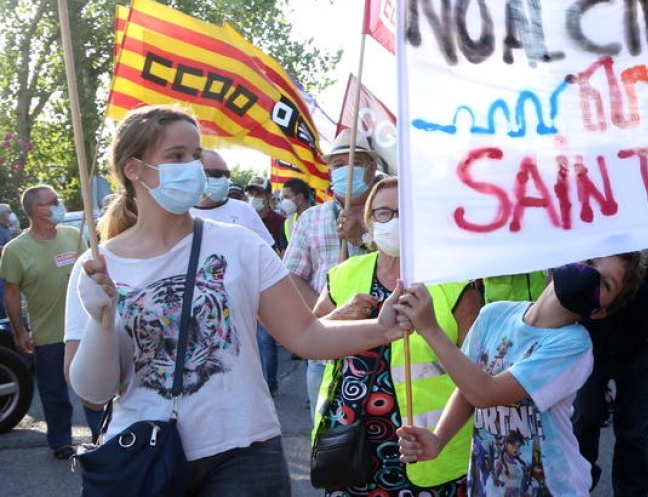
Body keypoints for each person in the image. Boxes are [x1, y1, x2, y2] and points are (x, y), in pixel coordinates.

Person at [63, 105, 411, 495]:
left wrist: (381, 329)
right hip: (143, 456)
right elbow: (93, 393)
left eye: (195, 155)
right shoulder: (96, 268)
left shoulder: (239, 244)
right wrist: (100, 318)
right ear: (134, 168)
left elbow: (306, 335)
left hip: (244, 454)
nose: (192, 167)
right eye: (176, 156)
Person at [394, 254, 646, 495]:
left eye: (604, 283)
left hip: (550, 488)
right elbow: (467, 390)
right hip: (490, 484)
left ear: (599, 312)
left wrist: (429, 328)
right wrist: (438, 439)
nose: (590, 276)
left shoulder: (573, 345)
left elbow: (484, 393)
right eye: (590, 262)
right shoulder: (493, 314)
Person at [312, 177, 480, 496]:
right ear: (370, 222)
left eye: (404, 212)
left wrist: (429, 327)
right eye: (384, 213)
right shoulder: (345, 273)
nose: (394, 221)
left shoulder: (456, 282)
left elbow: (477, 377)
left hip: (424, 447)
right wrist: (337, 317)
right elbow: (310, 339)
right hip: (349, 443)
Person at [0, 184, 100, 457]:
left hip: (86, 330)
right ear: (35, 210)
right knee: (54, 392)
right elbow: (10, 295)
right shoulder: (15, 250)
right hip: (49, 334)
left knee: (94, 388)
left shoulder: (73, 235)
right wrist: (19, 331)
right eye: (52, 202)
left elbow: (92, 272)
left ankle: (101, 437)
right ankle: (61, 442)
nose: (59, 205)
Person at [284, 128, 379, 411]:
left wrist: (363, 238)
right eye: (338, 164)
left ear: (372, 168)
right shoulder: (310, 219)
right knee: (328, 440)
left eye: (355, 162)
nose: (345, 170)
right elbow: (292, 276)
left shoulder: (392, 214)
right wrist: (329, 312)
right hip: (326, 354)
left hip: (383, 348)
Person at [573, 249, 648, 495]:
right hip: (588, 340)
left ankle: (631, 491)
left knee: (633, 431)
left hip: (639, 344)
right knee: (585, 418)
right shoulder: (590, 215)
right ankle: (578, 483)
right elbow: (564, 269)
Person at [190, 149, 282, 394]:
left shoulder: (243, 212)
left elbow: (269, 258)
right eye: (211, 173)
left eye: (223, 174)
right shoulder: (179, 215)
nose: (218, 178)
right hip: (199, 316)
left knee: (260, 346)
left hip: (248, 309)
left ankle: (266, 384)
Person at [246, 175, 285, 251]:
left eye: (259, 194)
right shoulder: (242, 219)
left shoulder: (280, 222)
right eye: (251, 194)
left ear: (269, 196)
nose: (254, 198)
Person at [279, 177, 315, 247]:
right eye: (282, 198)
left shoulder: (321, 217)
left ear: (300, 198)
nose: (283, 202)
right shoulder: (286, 224)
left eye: (286, 197)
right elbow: (285, 255)